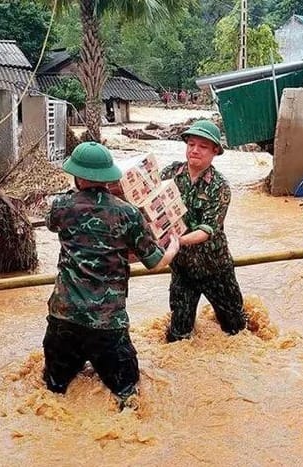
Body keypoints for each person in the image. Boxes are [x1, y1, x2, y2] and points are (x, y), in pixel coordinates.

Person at [44, 141, 179, 410]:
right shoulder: (127, 213)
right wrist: (173, 246)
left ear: (77, 176)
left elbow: (55, 226)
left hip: (63, 319)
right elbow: (155, 262)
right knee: (128, 394)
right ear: (109, 176)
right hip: (108, 325)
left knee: (53, 391)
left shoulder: (61, 206)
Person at [160, 120, 246, 342]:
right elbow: (149, 201)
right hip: (182, 269)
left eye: (203, 146)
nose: (194, 150)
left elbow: (207, 229)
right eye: (191, 144)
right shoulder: (170, 173)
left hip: (215, 268)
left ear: (215, 151)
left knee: (235, 330)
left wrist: (177, 241)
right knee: (178, 336)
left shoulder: (220, 187)